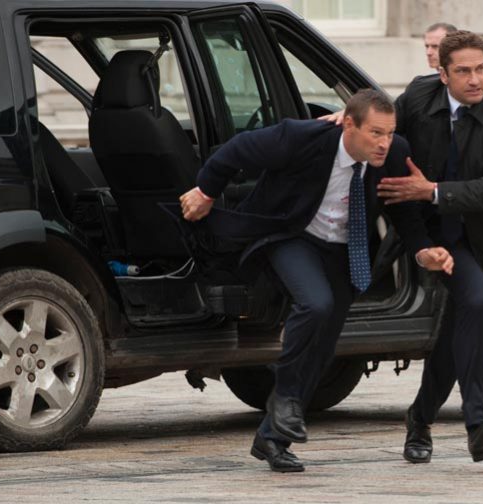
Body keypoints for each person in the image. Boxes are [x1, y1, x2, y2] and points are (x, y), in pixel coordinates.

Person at [179, 90, 453, 473]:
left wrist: (424, 251)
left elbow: (404, 214)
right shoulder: (303, 138)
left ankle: (273, 439)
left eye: (389, 133)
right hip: (291, 236)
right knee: (316, 303)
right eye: (375, 133)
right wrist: (205, 191)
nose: (384, 143)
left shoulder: (393, 155)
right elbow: (238, 149)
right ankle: (286, 401)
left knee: (323, 346)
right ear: (348, 124)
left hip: (343, 251)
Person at [380, 30, 483, 463]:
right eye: (463, 71)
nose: (475, 79)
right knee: (476, 301)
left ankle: (420, 419)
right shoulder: (418, 97)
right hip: (436, 234)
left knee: (457, 330)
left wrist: (432, 190)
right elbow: (383, 132)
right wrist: (344, 120)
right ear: (442, 74)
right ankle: (477, 420)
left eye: (481, 68)